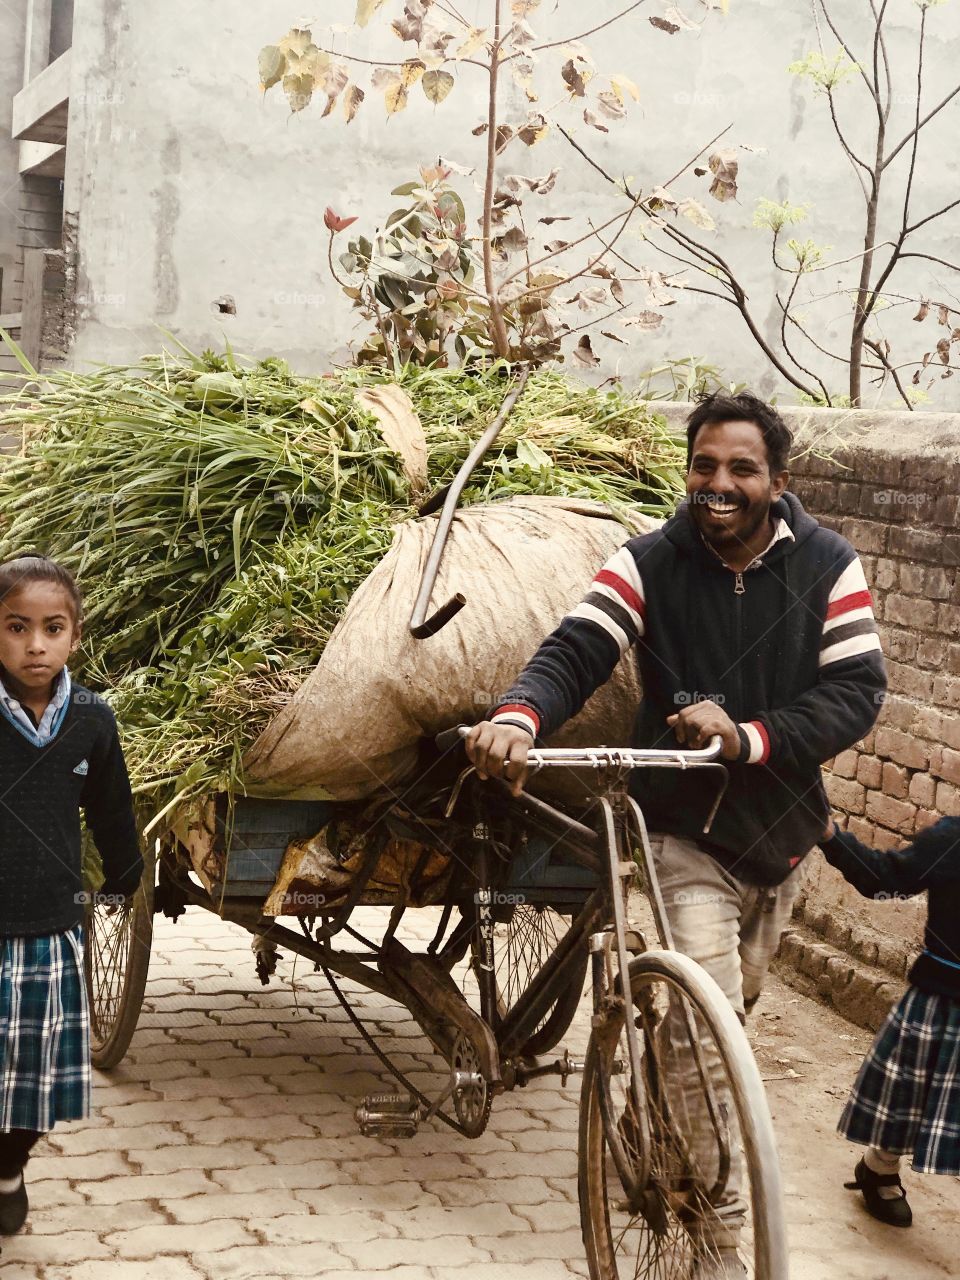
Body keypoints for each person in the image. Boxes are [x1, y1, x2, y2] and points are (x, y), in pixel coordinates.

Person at [465, 390, 887, 1275]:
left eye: (741, 468)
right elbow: (578, 646)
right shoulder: (649, 560)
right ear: (688, 471)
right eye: (704, 466)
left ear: (777, 478)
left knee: (720, 1018)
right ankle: (717, 1237)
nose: (719, 483)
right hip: (681, 832)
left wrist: (750, 737)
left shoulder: (829, 565)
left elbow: (856, 694)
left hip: (781, 833)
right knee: (709, 1024)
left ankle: (646, 1111)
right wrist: (518, 716)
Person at [0, 554, 143, 1240]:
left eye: (51, 628)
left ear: (74, 635)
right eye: (16, 627)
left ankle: (8, 1168)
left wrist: (124, 873)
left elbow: (112, 807)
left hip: (49, 923)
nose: (35, 645)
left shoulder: (89, 719)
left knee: (30, 1081)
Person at [819, 814, 960, 1229]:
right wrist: (830, 837)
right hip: (943, 999)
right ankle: (879, 1169)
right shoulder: (951, 841)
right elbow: (883, 879)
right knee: (907, 1096)